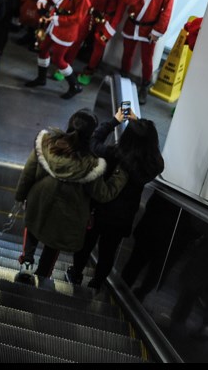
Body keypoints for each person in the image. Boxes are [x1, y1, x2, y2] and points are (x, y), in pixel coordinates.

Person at [15, 109, 128, 279]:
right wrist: (121, 174)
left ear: (70, 124)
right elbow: (103, 194)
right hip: (67, 213)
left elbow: (28, 173)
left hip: (39, 200)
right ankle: (43, 275)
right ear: (90, 134)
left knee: (33, 227)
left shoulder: (46, 144)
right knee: (54, 243)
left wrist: (20, 196)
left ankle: (27, 262)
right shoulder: (91, 164)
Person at [66, 108, 164, 290]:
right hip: (122, 218)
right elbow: (157, 157)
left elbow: (93, 141)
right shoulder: (152, 165)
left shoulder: (113, 154)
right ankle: (96, 284)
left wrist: (114, 121)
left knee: (86, 245)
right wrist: (141, 126)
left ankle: (75, 274)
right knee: (108, 253)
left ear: (126, 137)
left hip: (98, 210)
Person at [24, 0, 92, 98]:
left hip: (65, 31)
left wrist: (58, 19)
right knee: (42, 50)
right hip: (52, 25)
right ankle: (41, 78)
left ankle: (74, 85)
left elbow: (79, 17)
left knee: (58, 59)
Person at [114, 0, 174, 104]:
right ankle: (124, 77)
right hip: (132, 25)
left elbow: (166, 12)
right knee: (127, 53)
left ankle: (144, 87)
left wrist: (157, 32)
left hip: (149, 30)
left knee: (147, 60)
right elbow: (127, 2)